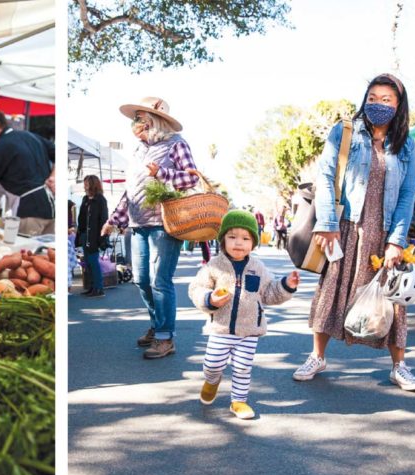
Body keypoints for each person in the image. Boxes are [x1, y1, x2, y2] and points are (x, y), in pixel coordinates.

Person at [297, 73, 415, 390]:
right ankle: (318, 356)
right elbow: (324, 177)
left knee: (392, 298)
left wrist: (397, 240)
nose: (378, 104)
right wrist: (326, 224)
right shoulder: (345, 132)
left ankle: (399, 366)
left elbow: (407, 196)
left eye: (386, 100)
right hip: (345, 229)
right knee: (331, 291)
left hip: (383, 234)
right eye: (373, 98)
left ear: (398, 105)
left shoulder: (407, 146)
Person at [102, 96, 198, 360]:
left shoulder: (176, 144)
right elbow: (130, 191)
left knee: (160, 280)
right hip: (138, 223)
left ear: (155, 121)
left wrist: (162, 174)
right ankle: (157, 325)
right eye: (135, 119)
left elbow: (192, 178)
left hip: (164, 224)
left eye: (141, 118)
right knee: (140, 279)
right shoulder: (138, 151)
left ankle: (166, 338)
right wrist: (114, 220)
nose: (136, 124)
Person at [190, 210, 299, 419]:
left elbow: (269, 293)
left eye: (245, 238)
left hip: (249, 330)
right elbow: (197, 288)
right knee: (213, 365)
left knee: (242, 368)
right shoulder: (214, 266)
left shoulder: (258, 268)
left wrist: (286, 285)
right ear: (222, 240)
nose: (238, 243)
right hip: (221, 328)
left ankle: (238, 401)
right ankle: (212, 380)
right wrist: (209, 299)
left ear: (253, 243)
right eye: (232, 237)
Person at [76, 174, 109, 298]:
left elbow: (103, 219)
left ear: (92, 184)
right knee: (88, 262)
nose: (85, 186)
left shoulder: (100, 199)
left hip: (94, 235)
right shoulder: (85, 199)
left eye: (86, 183)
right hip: (85, 234)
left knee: (94, 261)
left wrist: (102, 237)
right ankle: (91, 287)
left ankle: (99, 288)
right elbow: (82, 218)